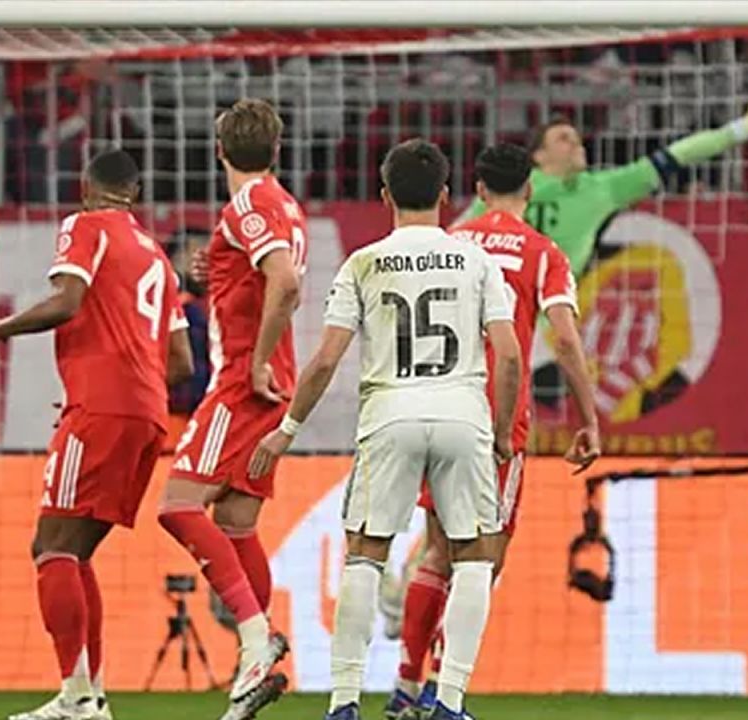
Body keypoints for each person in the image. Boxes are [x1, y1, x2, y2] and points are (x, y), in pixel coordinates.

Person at [248, 138, 522, 720]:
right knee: (474, 556)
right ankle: (450, 701)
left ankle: (344, 702)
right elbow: (510, 354)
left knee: (365, 555)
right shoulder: (478, 261)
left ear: (384, 196)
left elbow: (325, 359)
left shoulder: (363, 263)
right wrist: (501, 432)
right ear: (446, 196)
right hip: (462, 413)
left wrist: (287, 429)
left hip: (391, 414)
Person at [384, 143, 602, 720]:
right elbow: (566, 340)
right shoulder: (543, 253)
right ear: (529, 190)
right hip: (496, 418)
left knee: (436, 551)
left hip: (435, 407)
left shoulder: (450, 244)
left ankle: (405, 685)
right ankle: (442, 692)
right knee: (482, 560)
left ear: (478, 191)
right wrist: (588, 417)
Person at [0, 149, 193, 720]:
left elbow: (68, 301)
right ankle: (91, 698)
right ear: (136, 193)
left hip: (101, 410)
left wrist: (1, 327)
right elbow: (182, 363)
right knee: (76, 553)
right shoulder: (158, 258)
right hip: (148, 416)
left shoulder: (85, 225)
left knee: (49, 547)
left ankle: (75, 697)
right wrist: (124, 388)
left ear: (84, 187)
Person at [155, 98, 306, 720]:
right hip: (270, 382)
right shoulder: (283, 204)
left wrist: (258, 361)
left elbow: (286, 283)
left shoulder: (247, 203)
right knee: (238, 522)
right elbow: (265, 275)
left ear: (219, 151)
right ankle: (254, 667)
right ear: (276, 149)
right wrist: (215, 265)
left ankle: (255, 640)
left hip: (244, 381)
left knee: (178, 506)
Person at [455, 99, 748, 277]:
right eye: (563, 138)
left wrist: (746, 127)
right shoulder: (509, 183)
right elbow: (456, 236)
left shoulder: (601, 188)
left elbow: (677, 155)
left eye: (577, 138)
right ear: (539, 155)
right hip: (491, 309)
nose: (577, 144)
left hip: (548, 320)